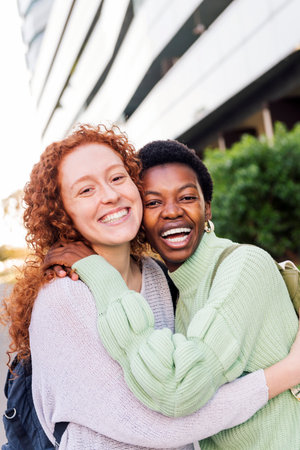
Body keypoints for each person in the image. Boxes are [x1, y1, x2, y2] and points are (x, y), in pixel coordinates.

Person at [1, 125, 300, 450]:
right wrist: (287, 372)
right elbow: (157, 423)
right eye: (86, 190)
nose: (110, 195)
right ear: (63, 214)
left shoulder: (157, 276)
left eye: (117, 178)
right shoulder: (65, 294)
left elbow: (185, 381)